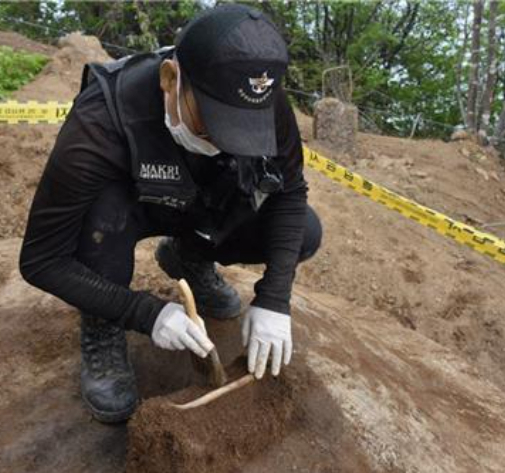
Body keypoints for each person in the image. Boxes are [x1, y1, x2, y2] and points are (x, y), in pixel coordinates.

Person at [19, 3, 321, 423]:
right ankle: (102, 329)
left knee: (303, 231)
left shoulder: (262, 97)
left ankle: (188, 259)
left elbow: (290, 192)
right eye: (212, 124)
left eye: (242, 131)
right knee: (102, 221)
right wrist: (143, 312)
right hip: (129, 209)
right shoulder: (99, 123)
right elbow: (40, 260)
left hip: (199, 205)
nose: (227, 143)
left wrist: (274, 298)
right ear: (170, 79)